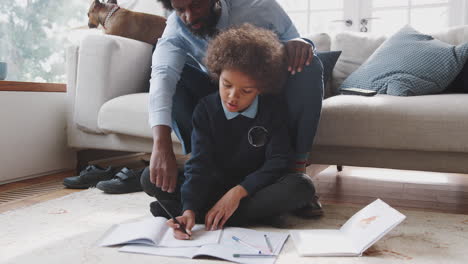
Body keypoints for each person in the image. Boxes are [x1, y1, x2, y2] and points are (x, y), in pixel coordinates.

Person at [144, 0, 324, 214]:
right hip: (214, 93)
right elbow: (162, 76)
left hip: (266, 89)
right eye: (180, 9)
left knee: (299, 187)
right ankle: (209, 194)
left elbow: (292, 38)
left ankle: (294, 171)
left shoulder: (258, 6)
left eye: (196, 6)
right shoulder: (176, 29)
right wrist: (161, 145)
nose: (189, 17)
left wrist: (299, 43)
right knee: (149, 178)